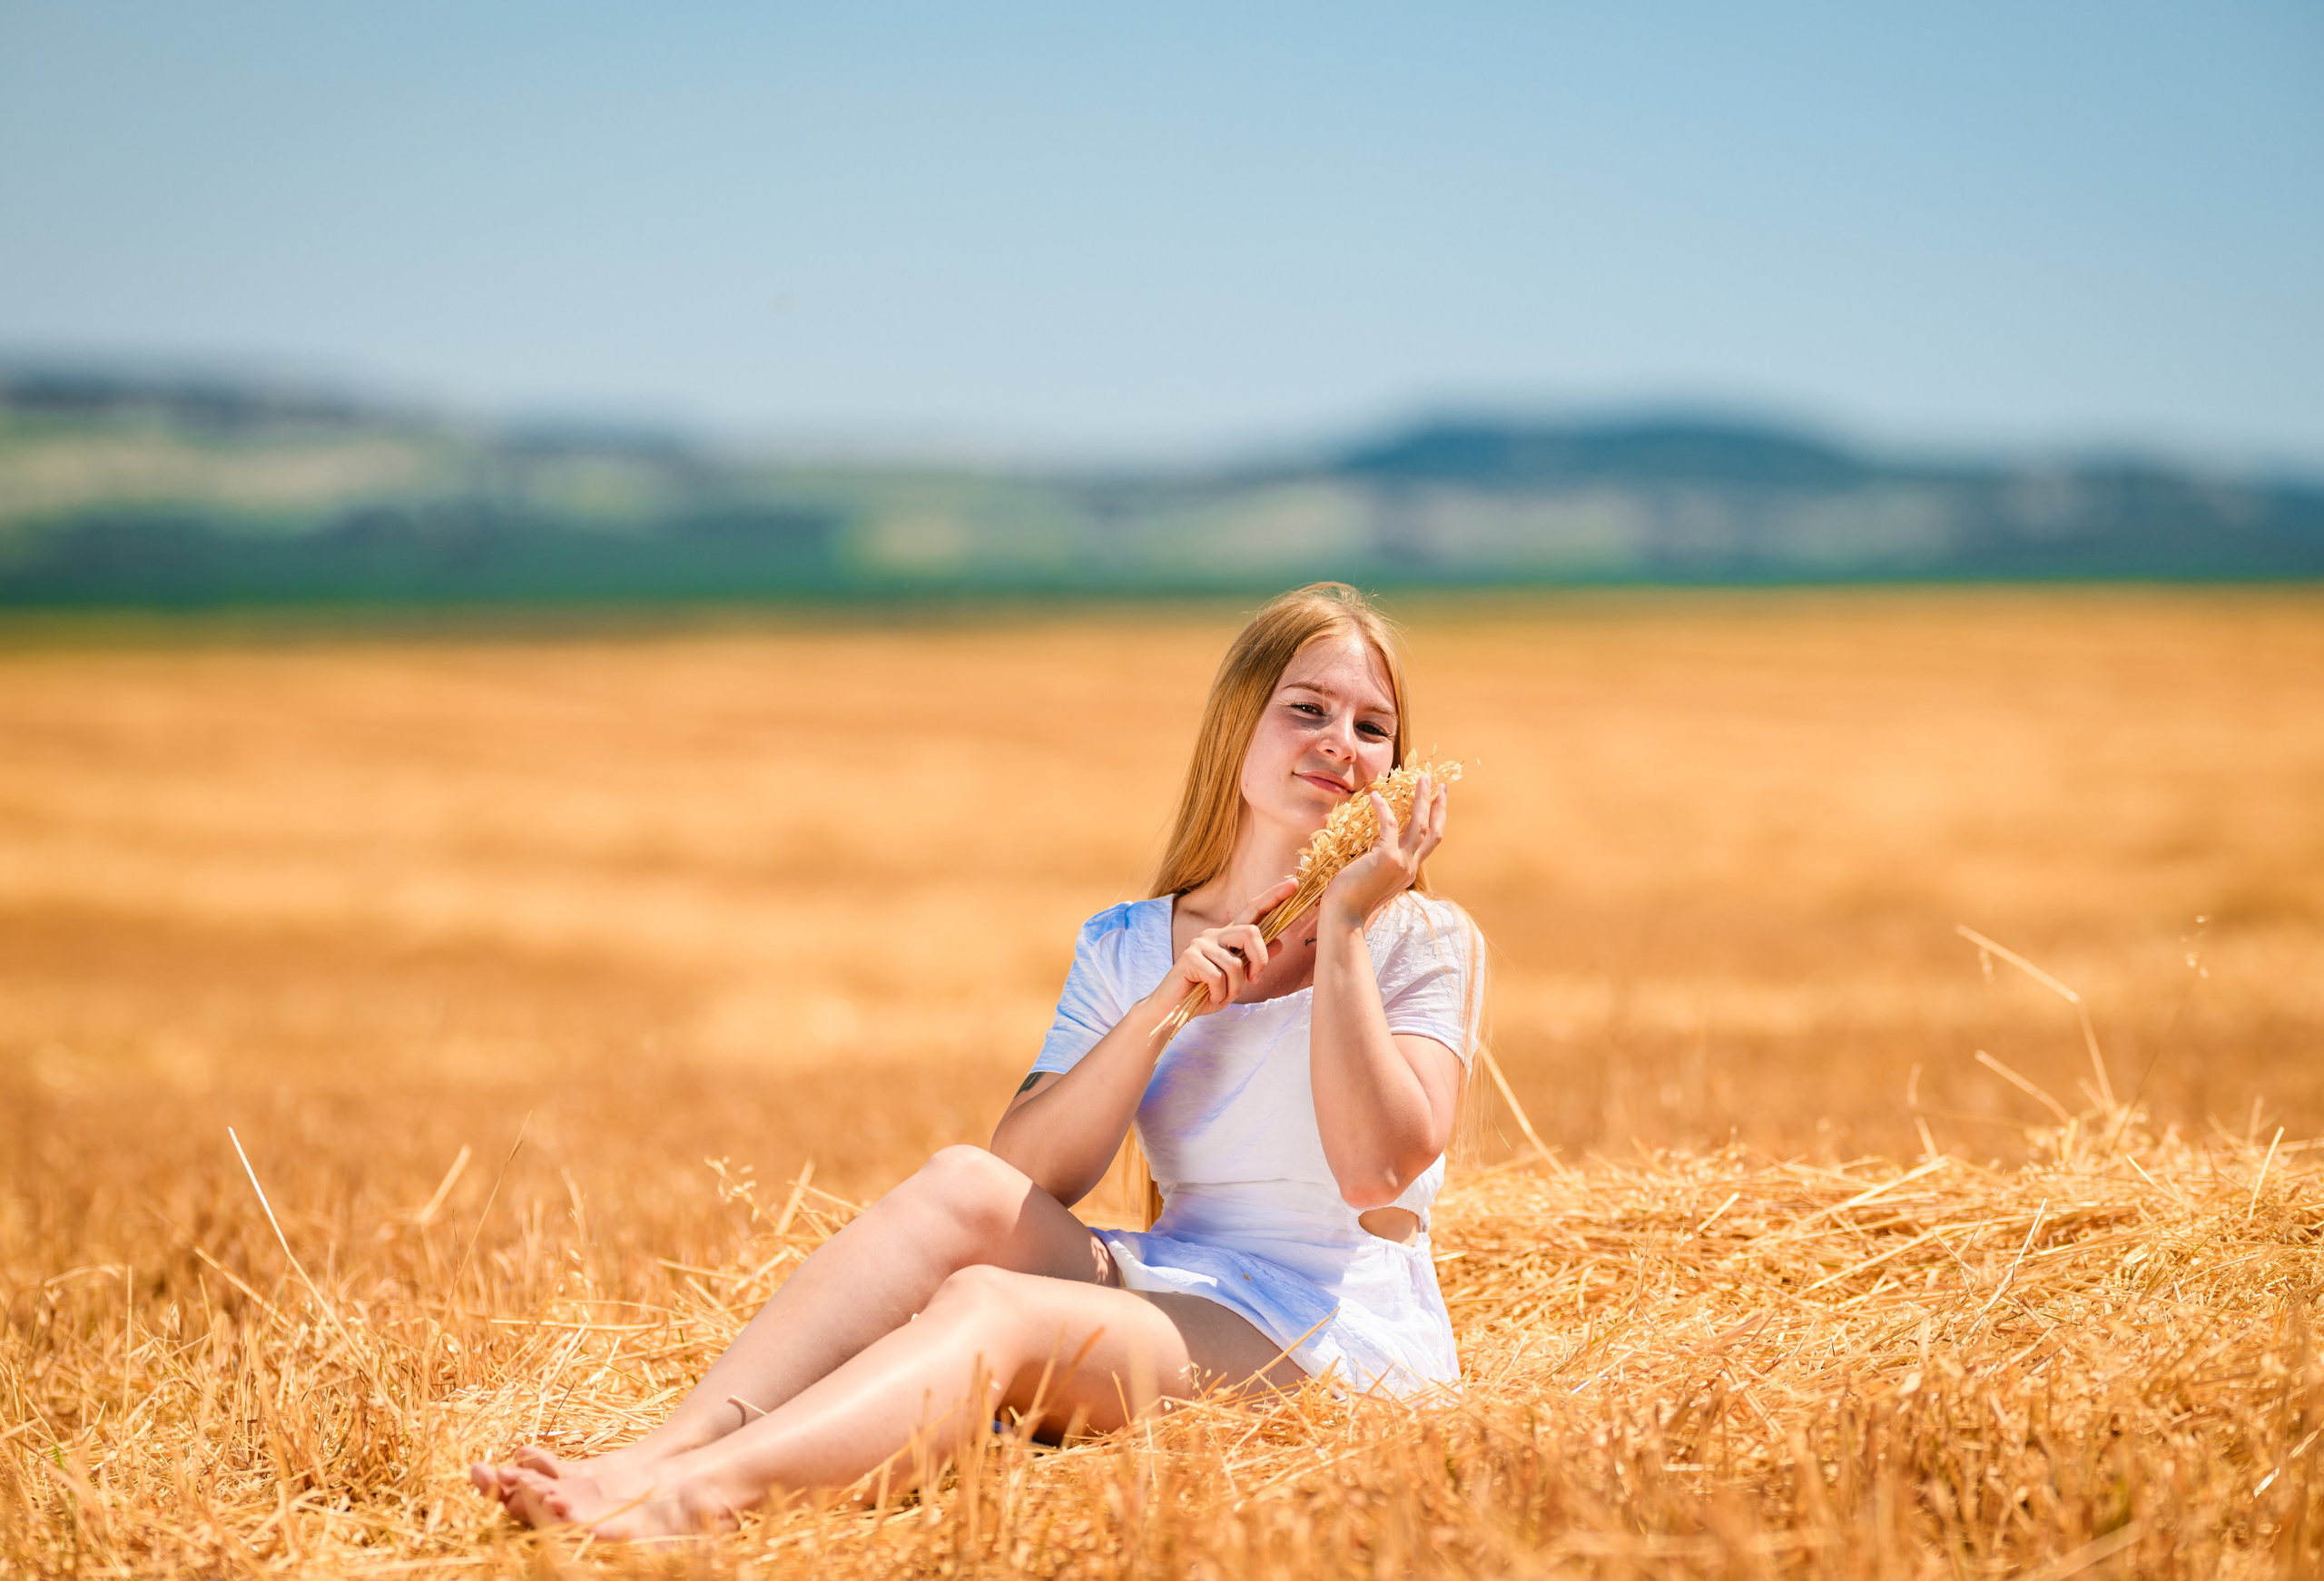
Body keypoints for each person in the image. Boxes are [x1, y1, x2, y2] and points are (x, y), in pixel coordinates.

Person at [471, 582, 1486, 1539]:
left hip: (1329, 1338)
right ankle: (664, 1448)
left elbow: (1375, 1170)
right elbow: (1028, 1172)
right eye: (1305, 708)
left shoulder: (1419, 940)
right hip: (1187, 1281)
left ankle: (694, 1501)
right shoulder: (1130, 941)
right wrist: (1165, 1004)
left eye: (1371, 727)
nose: (1338, 745)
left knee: (991, 1309)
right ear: (1238, 726)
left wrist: (1345, 924)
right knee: (960, 1182)